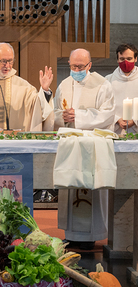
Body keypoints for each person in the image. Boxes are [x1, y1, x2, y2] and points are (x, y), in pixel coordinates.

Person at [54, 48, 115, 250]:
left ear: (89, 65)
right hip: (71, 145)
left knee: (90, 184)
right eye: (73, 66)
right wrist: (62, 117)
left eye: (80, 66)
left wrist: (78, 117)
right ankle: (71, 234)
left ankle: (92, 236)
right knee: (71, 188)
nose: (76, 69)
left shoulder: (102, 85)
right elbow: (55, 112)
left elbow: (107, 115)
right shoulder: (64, 84)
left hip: (91, 146)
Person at [105, 43, 138, 135]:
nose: (125, 62)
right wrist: (117, 119)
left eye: (129, 59)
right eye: (122, 59)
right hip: (115, 130)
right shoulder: (108, 80)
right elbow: (103, 106)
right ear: (117, 60)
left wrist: (135, 120)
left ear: (135, 59)